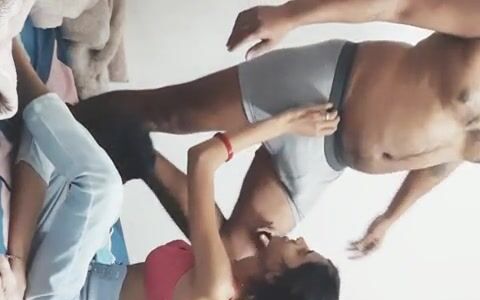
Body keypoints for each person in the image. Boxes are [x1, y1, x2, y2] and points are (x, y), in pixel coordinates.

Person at [0, 41, 340, 300]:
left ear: (276, 276)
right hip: (65, 276)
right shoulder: (234, 273)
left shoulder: (217, 285)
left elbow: (202, 159)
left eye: (302, 252)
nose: (301, 241)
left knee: (103, 187)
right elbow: (197, 202)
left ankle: (11, 47)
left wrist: (285, 123)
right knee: (59, 137)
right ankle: (21, 265)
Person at [71, 0, 480, 257]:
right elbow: (398, 6)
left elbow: (447, 159)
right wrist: (290, 16)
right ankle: (59, 122)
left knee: (238, 257)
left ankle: (133, 152)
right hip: (325, 86)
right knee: (169, 113)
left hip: (327, 157)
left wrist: (391, 217)